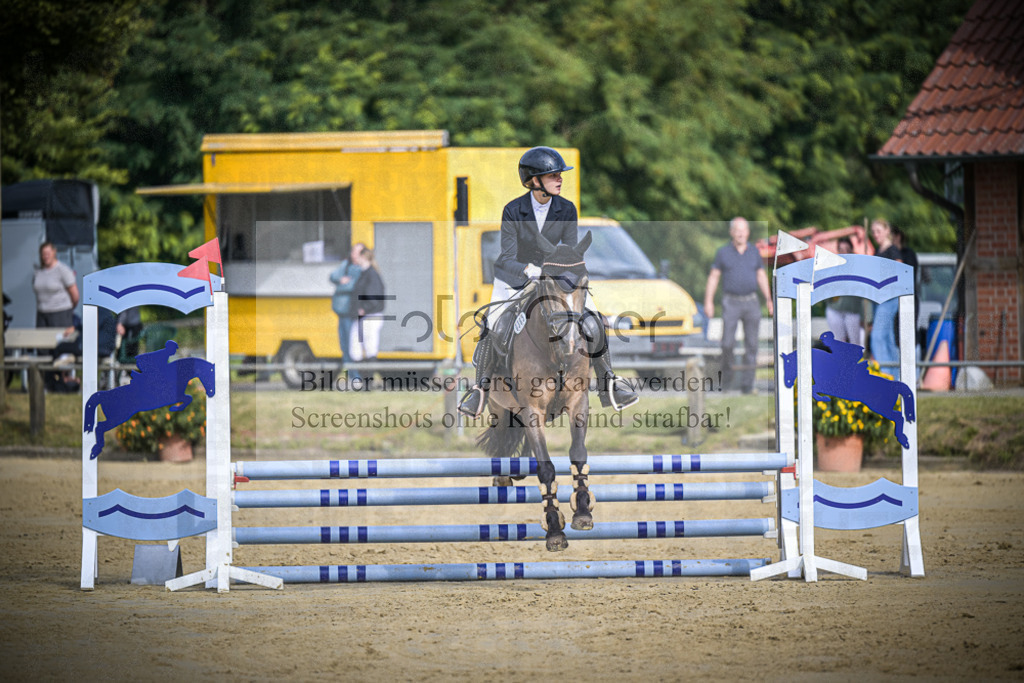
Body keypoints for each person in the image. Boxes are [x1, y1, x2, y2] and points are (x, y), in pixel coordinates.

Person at [457, 146, 638, 417]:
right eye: (554, 175)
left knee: (593, 319)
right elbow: (506, 256)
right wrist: (530, 270)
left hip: (556, 279)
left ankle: (609, 381)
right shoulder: (513, 210)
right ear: (535, 181)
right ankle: (480, 389)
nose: (560, 179)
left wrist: (564, 275)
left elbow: (571, 252)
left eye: (559, 175)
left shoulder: (566, 209)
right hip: (515, 278)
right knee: (493, 321)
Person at [704, 217, 774, 394]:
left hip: (751, 301)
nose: (741, 233)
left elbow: (761, 276)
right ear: (732, 232)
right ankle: (726, 381)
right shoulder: (723, 253)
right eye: (737, 230)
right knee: (727, 343)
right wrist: (708, 301)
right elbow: (714, 277)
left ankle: (748, 385)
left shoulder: (754, 253)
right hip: (731, 302)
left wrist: (769, 299)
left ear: (748, 233)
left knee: (752, 345)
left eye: (743, 230)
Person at [347, 246, 385, 387]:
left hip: (370, 316)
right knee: (355, 349)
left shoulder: (371, 274)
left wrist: (365, 308)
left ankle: (367, 382)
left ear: (364, 257)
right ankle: (365, 380)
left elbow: (374, 296)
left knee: (369, 348)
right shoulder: (364, 274)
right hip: (363, 316)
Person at [869, 219, 902, 378]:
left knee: (877, 336)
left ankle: (886, 375)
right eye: (873, 231)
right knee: (888, 338)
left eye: (878, 231)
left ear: (887, 231)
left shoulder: (892, 250)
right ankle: (895, 375)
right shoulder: (878, 250)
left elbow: (900, 273)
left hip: (889, 298)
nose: (875, 234)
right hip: (878, 298)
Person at [329, 243, 366, 382]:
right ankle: (351, 376)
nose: (354, 255)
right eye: (353, 252)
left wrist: (344, 284)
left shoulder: (361, 269)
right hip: (341, 313)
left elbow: (355, 286)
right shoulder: (345, 265)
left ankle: (356, 376)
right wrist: (340, 280)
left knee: (353, 346)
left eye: (357, 253)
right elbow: (333, 276)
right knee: (344, 346)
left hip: (351, 314)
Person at [824, 238, 864, 346]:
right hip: (835, 308)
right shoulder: (832, 268)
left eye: (847, 249)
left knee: (855, 343)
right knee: (839, 342)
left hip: (852, 310)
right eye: (841, 250)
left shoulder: (858, 267)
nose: (844, 253)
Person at [33, 242, 79, 328]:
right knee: (41, 340)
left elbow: (75, 295)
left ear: (54, 252)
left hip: (60, 313)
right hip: (42, 314)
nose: (46, 256)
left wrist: (68, 310)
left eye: (48, 253)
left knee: (59, 340)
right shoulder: (38, 272)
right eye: (43, 254)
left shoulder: (63, 270)